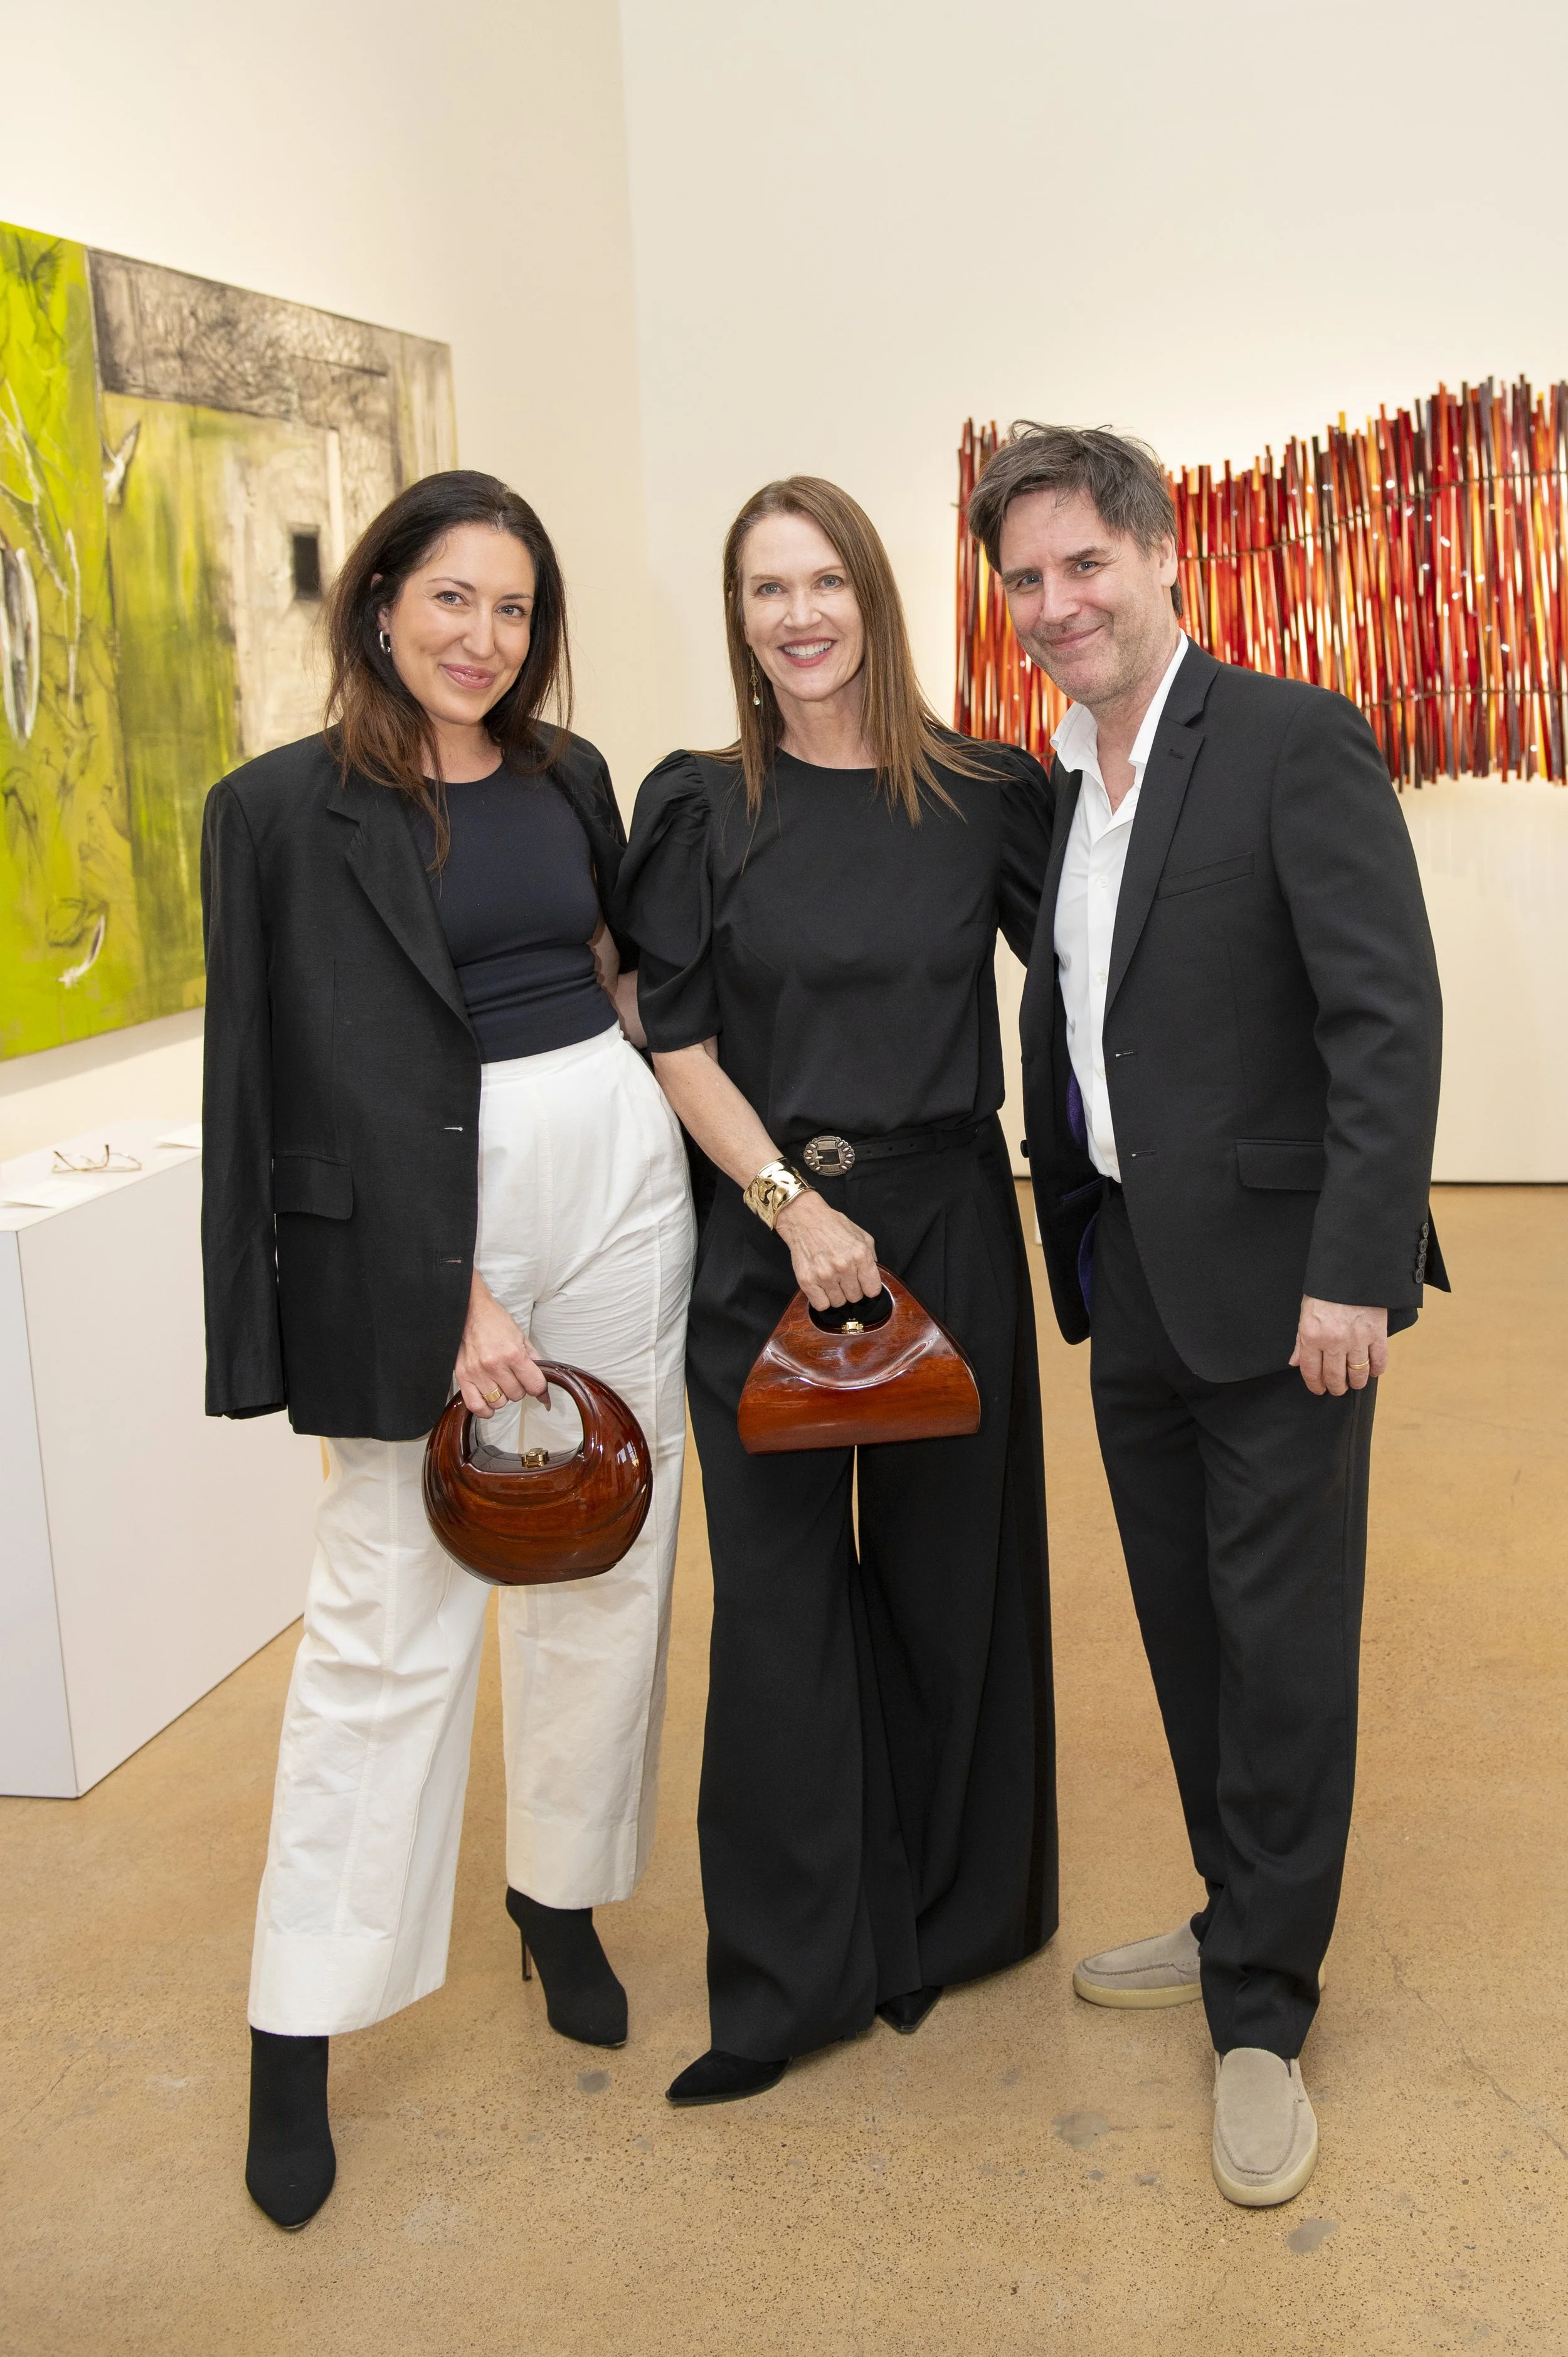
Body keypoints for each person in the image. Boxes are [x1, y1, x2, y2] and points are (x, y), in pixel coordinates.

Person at [201, 470, 694, 2228]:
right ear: (381, 600)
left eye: (512, 610)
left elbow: (626, 980)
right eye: (449, 600)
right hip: (431, 1220)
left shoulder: (570, 777)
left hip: (615, 1175)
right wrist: (444, 1296)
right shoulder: (273, 811)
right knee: (384, 1624)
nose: (480, 639)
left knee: (601, 1557)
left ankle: (555, 1894)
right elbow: (276, 1086)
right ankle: (298, 2021)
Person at [967, 424, 1447, 2207]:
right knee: (1183, 1625)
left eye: (1083, 562)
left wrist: (1356, 1262)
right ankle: (1235, 1903)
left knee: (1282, 1641)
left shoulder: (1285, 740)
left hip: (1283, 1292)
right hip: (1131, 1282)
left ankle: (1260, 2007)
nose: (1054, 603)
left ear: (1162, 553)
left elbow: (1382, 1020)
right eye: (1023, 577)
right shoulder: (1061, 783)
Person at [616, 475, 1057, 2109]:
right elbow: (675, 1037)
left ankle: (941, 1926)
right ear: (737, 619)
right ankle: (783, 1982)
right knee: (782, 1611)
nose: (797, 615)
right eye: (762, 589)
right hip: (765, 1240)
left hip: (945, 1223)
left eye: (823, 582)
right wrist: (791, 1207)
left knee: (955, 1583)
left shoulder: (983, 795)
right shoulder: (697, 804)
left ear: (873, 596)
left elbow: (1098, 972)